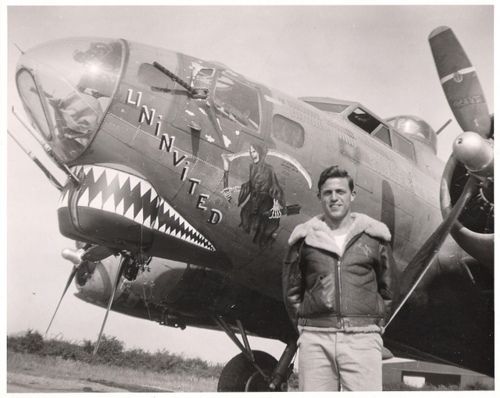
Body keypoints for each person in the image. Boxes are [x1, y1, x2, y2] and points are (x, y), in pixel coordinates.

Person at [282, 165, 395, 391]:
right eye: (327, 193)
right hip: (316, 340)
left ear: (352, 195)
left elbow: (389, 289)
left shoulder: (374, 237)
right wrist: (306, 328)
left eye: (340, 192)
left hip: (362, 338)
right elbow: (291, 291)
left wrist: (374, 326)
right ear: (319, 197)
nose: (334, 198)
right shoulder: (304, 239)